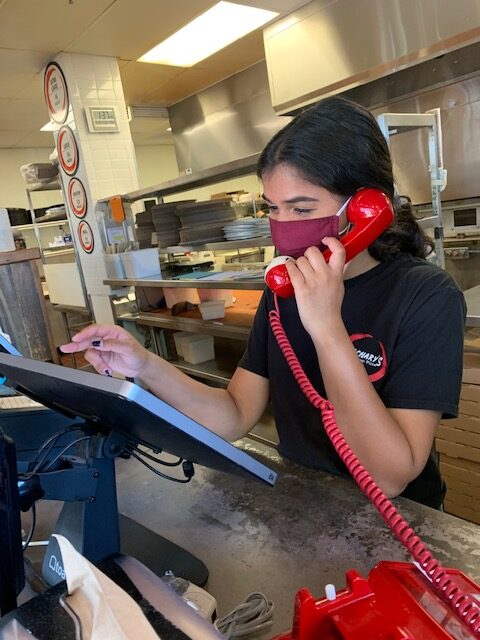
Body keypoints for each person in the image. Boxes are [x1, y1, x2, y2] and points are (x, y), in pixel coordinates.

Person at [61, 96, 466, 509]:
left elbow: (389, 475)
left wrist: (327, 327)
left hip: (401, 524)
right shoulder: (284, 290)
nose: (284, 227)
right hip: (307, 504)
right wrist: (145, 365)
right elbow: (234, 413)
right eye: (273, 208)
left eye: (302, 208)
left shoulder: (426, 295)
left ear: (368, 207)